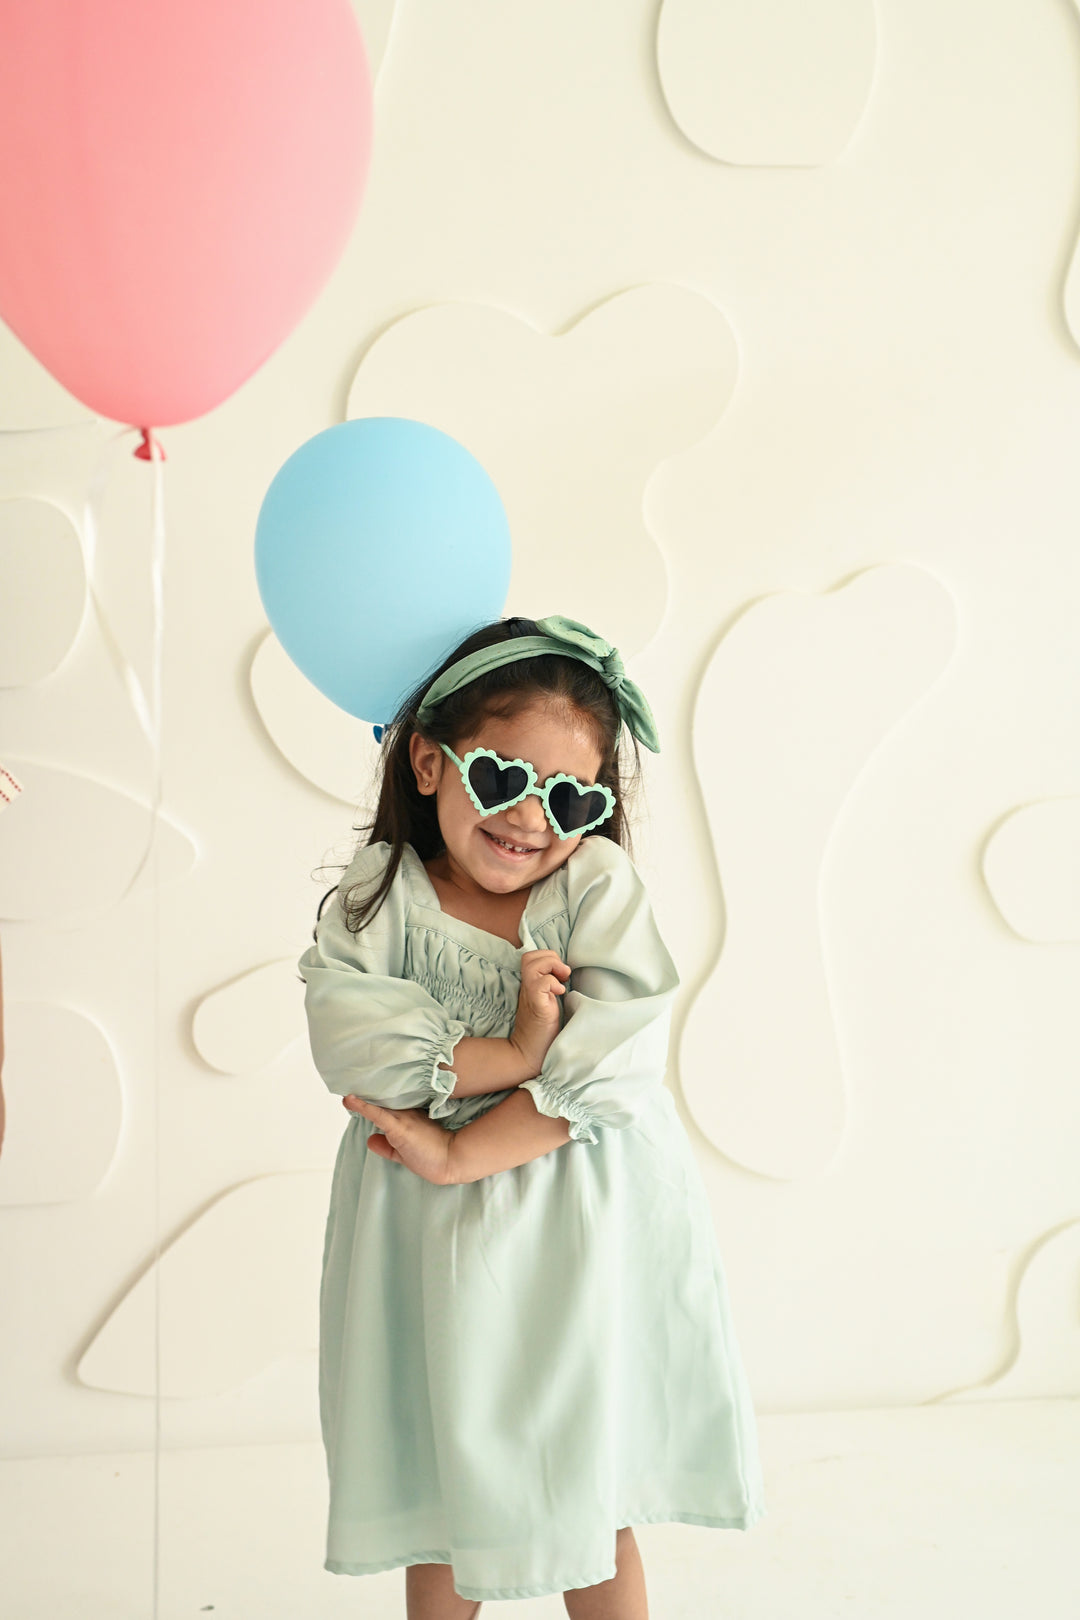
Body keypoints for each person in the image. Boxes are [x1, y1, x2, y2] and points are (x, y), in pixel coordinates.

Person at [299, 614, 765, 1618]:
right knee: (445, 1478)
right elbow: (355, 1039)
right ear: (428, 761)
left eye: (571, 796)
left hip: (579, 1223)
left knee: (587, 1483)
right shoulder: (378, 900)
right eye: (503, 778)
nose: (532, 820)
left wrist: (465, 1150)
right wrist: (511, 1053)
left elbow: (619, 1056)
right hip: (424, 1239)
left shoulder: (595, 889)